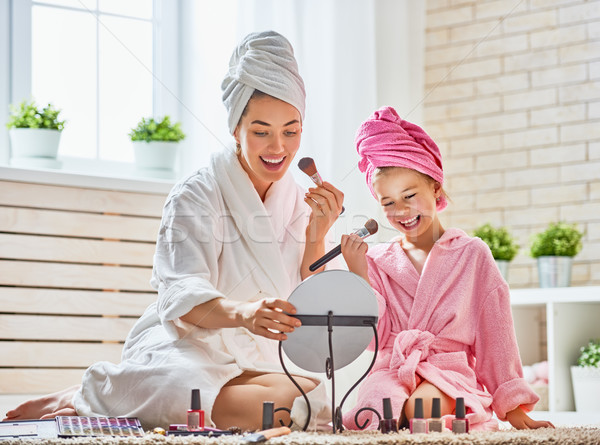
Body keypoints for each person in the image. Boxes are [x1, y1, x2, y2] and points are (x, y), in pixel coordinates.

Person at [3, 31, 343, 431]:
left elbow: (309, 300)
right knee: (221, 393)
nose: (278, 147)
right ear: (235, 129)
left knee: (311, 404)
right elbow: (181, 295)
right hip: (189, 348)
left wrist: (317, 237)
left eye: (291, 131)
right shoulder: (196, 194)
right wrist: (244, 313)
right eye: (260, 130)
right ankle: (94, 393)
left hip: (259, 355)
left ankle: (121, 393)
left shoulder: (300, 202)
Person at [339, 106, 554, 431]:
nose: (401, 211)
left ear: (435, 189)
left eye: (410, 195)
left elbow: (496, 336)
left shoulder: (472, 254)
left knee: (426, 409)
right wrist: (358, 275)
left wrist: (513, 409)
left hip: (447, 369)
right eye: (388, 203)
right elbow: (373, 339)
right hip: (391, 369)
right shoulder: (377, 261)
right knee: (379, 414)